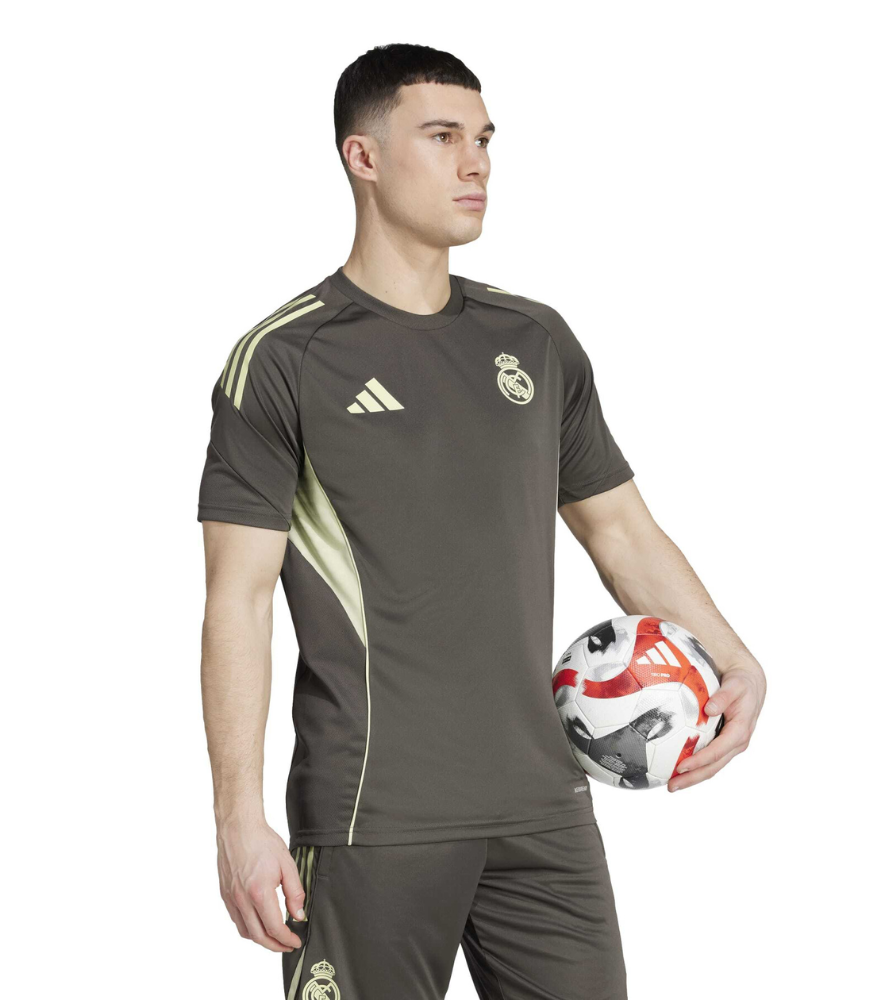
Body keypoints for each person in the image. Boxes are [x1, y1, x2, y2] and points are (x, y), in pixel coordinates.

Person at [197, 42, 767, 1000]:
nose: (477, 164)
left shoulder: (534, 341)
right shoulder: (286, 359)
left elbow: (621, 532)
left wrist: (735, 658)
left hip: (544, 806)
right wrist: (237, 821)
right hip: (373, 817)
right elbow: (237, 600)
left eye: (486, 140)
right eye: (443, 136)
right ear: (362, 157)